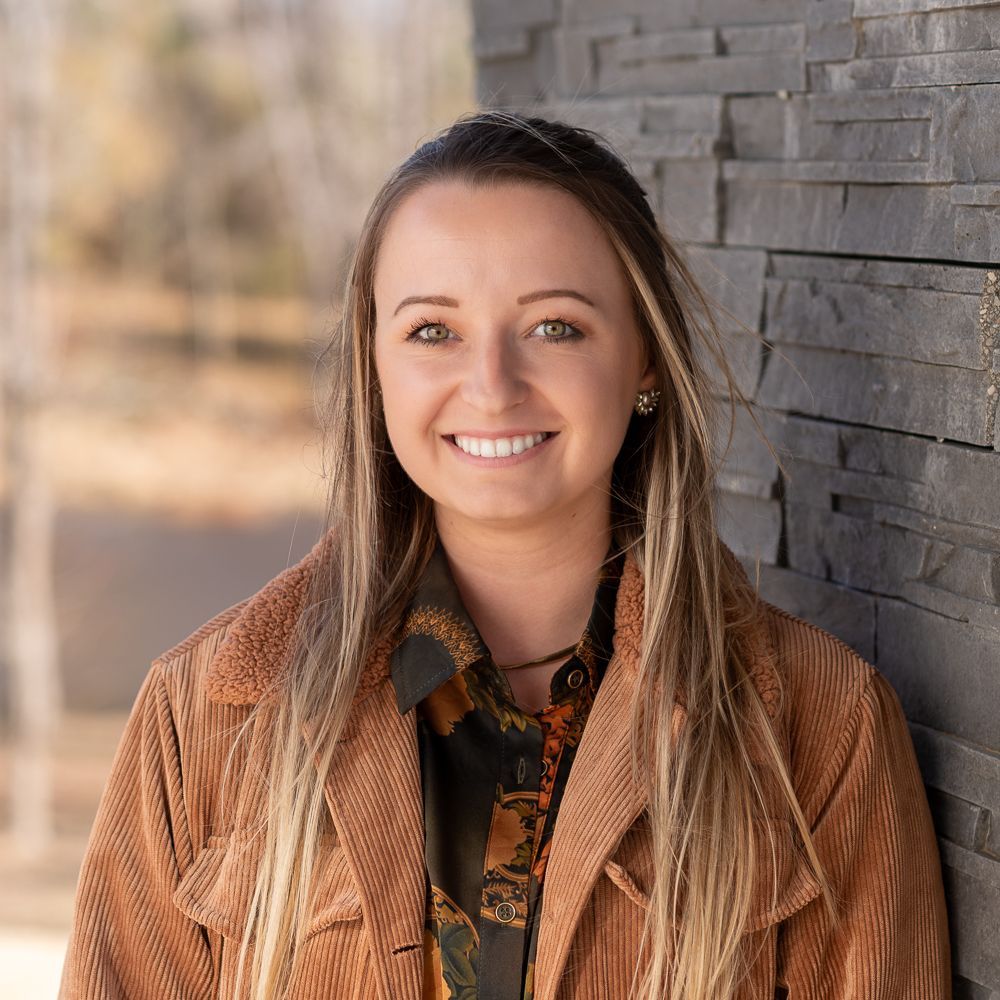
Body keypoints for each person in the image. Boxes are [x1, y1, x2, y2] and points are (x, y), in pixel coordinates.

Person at [59, 111, 951, 1000]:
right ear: (374, 367)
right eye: (432, 331)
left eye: (555, 327)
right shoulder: (205, 717)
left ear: (644, 357)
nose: (491, 386)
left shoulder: (820, 727)